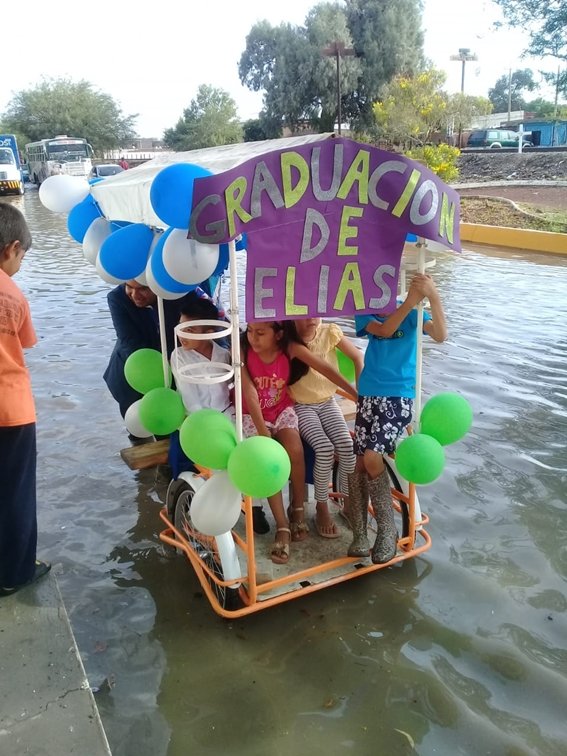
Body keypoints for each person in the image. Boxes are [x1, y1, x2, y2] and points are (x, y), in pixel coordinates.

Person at [348, 273, 448, 564]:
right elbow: (384, 330)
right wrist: (410, 303)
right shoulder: (365, 311)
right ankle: (359, 534)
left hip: (399, 396)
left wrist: (432, 295)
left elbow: (441, 335)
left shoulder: (415, 311)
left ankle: (387, 531)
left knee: (372, 457)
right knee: (358, 463)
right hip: (369, 393)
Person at [241, 320, 358, 564]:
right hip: (251, 413)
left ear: (278, 334)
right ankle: (282, 526)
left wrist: (356, 394)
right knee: (269, 460)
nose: (253, 337)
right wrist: (264, 434)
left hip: (281, 408)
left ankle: (297, 509)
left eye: (261, 333)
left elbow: (324, 369)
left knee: (295, 450)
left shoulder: (290, 348)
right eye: (250, 331)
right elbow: (249, 392)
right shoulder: (242, 349)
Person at [0, 202, 51, 597]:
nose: (19, 264)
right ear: (11, 247)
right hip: (10, 409)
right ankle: (15, 572)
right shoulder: (12, 295)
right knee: (15, 491)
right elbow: (25, 344)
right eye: (21, 256)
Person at [103, 280, 216, 437]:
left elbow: (205, 329)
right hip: (135, 372)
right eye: (129, 287)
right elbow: (130, 342)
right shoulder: (117, 298)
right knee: (137, 426)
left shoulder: (180, 294)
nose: (134, 295)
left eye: (142, 289)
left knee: (171, 427)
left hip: (176, 369)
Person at [287, 319, 363, 538]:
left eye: (316, 313)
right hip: (302, 406)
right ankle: (322, 506)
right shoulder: (288, 338)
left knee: (348, 447)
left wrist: (360, 393)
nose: (312, 319)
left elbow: (357, 356)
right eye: (305, 314)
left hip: (328, 402)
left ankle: (347, 504)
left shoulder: (329, 332)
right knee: (324, 448)